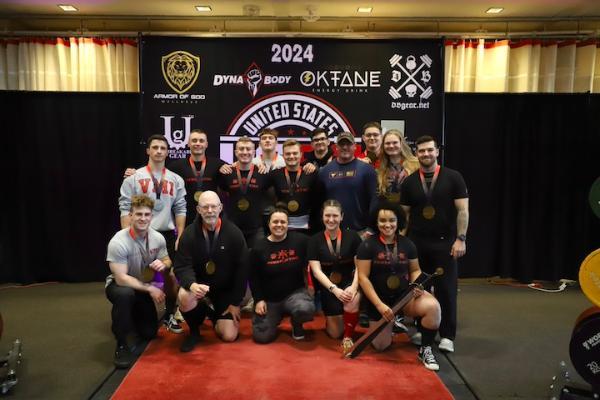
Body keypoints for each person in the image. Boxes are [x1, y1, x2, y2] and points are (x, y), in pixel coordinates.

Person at [400, 135, 469, 353]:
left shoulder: (453, 177)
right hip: (418, 243)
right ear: (416, 153)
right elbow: (405, 216)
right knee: (419, 289)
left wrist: (461, 238)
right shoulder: (410, 182)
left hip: (445, 243)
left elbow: (463, 211)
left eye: (430, 150)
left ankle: (447, 335)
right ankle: (424, 329)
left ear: (437, 151)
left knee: (446, 289)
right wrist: (402, 243)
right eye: (421, 151)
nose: (426, 154)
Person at [356, 201, 442, 371]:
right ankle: (392, 324)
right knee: (381, 346)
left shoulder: (408, 244)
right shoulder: (367, 245)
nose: (387, 225)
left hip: (405, 298)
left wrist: (418, 285)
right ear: (376, 221)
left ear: (398, 221)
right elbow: (363, 278)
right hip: (379, 302)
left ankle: (425, 348)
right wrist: (380, 306)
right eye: (382, 220)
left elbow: (416, 270)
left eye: (391, 220)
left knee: (433, 307)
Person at [119, 134, 186, 334]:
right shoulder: (134, 177)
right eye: (154, 147)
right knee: (136, 276)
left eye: (162, 148)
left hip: (166, 234)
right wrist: (126, 235)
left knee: (172, 278)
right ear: (148, 151)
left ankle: (170, 315)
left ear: (167, 152)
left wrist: (180, 235)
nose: (158, 151)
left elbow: (180, 208)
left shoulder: (176, 179)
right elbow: (125, 207)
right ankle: (134, 314)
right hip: (139, 234)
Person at [173, 191, 249, 352]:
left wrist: (236, 303)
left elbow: (242, 269)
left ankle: (213, 315)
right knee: (184, 296)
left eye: (213, 206)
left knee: (229, 336)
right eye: (205, 207)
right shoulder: (188, 235)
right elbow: (182, 266)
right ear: (198, 210)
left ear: (220, 208)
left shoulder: (234, 233)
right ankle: (194, 332)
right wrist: (191, 284)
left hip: (224, 291)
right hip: (199, 288)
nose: (209, 210)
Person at [106, 195, 174, 368]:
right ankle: (121, 344)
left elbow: (167, 260)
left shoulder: (157, 237)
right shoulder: (118, 241)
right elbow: (121, 278)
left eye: (146, 214)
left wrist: (163, 263)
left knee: (149, 333)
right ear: (130, 215)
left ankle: (134, 316)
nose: (143, 218)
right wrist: (151, 289)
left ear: (152, 216)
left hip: (142, 287)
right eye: (138, 214)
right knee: (125, 295)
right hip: (120, 286)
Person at [250, 208, 315, 343]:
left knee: (306, 309)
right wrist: (258, 300)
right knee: (261, 337)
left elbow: (318, 248)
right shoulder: (258, 247)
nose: (279, 225)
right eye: (275, 222)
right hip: (270, 300)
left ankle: (296, 323)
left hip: (295, 294)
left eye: (283, 222)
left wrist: (311, 285)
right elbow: (253, 276)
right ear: (269, 224)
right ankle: (275, 317)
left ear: (288, 224)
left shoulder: (301, 241)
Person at [308, 200, 362, 354]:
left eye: (335, 216)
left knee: (352, 300)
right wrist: (334, 290)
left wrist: (354, 286)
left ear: (342, 217)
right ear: (322, 217)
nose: (331, 220)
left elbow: (360, 266)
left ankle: (348, 336)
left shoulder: (353, 237)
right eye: (327, 216)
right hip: (329, 287)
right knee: (334, 334)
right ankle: (339, 319)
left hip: (350, 282)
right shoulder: (314, 240)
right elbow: (316, 271)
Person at [317, 132, 377, 235]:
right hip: (332, 231)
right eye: (341, 144)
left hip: (361, 232)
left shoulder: (367, 170)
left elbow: (374, 200)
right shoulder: (324, 172)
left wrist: (371, 229)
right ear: (336, 147)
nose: (345, 147)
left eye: (348, 144)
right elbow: (319, 204)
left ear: (355, 147)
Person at [217, 136, 270, 248]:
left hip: (256, 229)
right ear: (236, 152)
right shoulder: (227, 173)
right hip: (232, 228)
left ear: (254, 152)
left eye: (248, 149)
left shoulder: (263, 173)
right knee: (232, 262)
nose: (245, 152)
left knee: (257, 262)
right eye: (241, 149)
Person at [167, 129, 225, 226]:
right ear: (188, 143)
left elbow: (236, 169)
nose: (198, 143)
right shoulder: (176, 166)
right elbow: (160, 173)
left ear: (206, 144)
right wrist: (134, 172)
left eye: (201, 141)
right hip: (185, 218)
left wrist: (260, 165)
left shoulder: (218, 164)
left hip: (210, 217)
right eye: (194, 140)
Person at [267, 139, 318, 233]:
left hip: (307, 228)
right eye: (288, 154)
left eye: (295, 153)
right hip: (281, 227)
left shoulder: (311, 173)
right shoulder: (274, 174)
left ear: (301, 154)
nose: (291, 156)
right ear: (283, 155)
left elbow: (318, 201)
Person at [376, 129, 420, 203]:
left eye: (395, 142)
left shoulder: (416, 164)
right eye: (387, 143)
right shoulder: (380, 170)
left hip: (412, 210)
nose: (391, 146)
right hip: (389, 211)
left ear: (401, 144)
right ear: (383, 146)